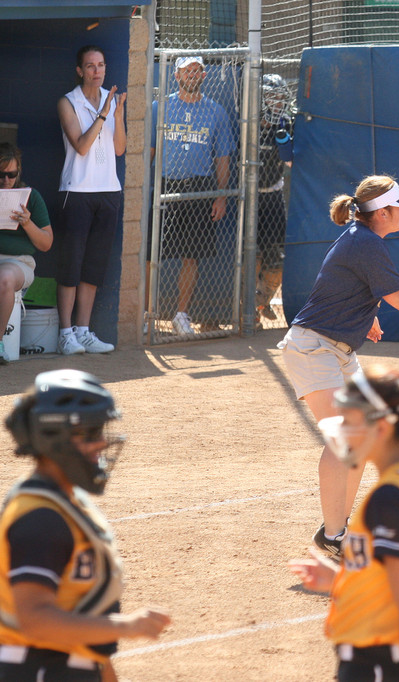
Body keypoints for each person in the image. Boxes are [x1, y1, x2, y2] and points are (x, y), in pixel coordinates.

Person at [277, 174, 399, 558]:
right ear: (381, 213)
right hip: (313, 349)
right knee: (345, 437)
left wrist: (365, 314)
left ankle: (336, 531)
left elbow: (340, 285)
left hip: (335, 349)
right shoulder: (365, 243)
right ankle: (333, 537)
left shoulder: (362, 238)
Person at [1, 369, 171, 680]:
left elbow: (86, 623)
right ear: (54, 437)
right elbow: (34, 618)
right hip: (34, 670)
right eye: (91, 432)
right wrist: (126, 625)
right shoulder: (39, 517)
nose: (102, 442)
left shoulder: (67, 506)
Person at [289, 366, 399, 682]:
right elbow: (389, 580)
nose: (342, 432)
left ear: (382, 429)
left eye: (350, 422)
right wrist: (340, 579)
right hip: (379, 659)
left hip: (383, 664)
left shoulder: (392, 500)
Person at [150, 55, 234, 336]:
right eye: (187, 71)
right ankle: (148, 314)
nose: (193, 75)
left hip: (199, 188)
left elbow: (222, 158)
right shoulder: (160, 107)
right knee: (152, 255)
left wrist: (220, 196)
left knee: (191, 256)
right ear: (177, 76)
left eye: (197, 70)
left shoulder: (216, 112)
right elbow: (148, 152)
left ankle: (180, 314)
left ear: (204, 76)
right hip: (165, 185)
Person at [55, 45, 126, 355]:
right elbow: (82, 146)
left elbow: (120, 149)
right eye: (90, 66)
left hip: (108, 192)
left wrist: (117, 116)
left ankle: (83, 331)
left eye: (101, 65)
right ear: (80, 70)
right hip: (77, 192)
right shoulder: (67, 102)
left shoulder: (110, 105)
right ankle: (65, 333)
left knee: (94, 266)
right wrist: (103, 114)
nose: (97, 71)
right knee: (71, 265)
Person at [0, 144, 53, 365]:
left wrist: (27, 222)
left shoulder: (32, 197)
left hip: (18, 263)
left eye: (11, 175)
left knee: (4, 279)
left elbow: (46, 243)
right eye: (1, 175)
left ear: (18, 172)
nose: (6, 181)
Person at [254, 73, 295, 325]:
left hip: (273, 196)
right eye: (271, 97)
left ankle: (262, 300)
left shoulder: (286, 125)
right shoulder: (247, 124)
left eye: (280, 98)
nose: (276, 103)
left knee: (279, 258)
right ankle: (248, 312)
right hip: (248, 198)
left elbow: (291, 161)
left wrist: (285, 141)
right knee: (251, 255)